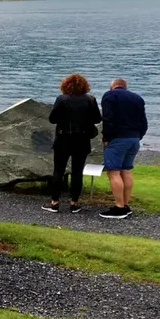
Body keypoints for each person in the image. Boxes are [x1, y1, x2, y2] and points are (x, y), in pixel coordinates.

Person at [42, 74, 102, 214]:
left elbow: (52, 119)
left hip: (63, 138)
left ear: (65, 85)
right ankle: (74, 203)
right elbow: (97, 119)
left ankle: (55, 202)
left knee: (58, 170)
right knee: (77, 172)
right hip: (82, 140)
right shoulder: (90, 100)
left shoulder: (62, 99)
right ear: (84, 86)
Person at [99, 77, 147, 218]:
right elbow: (143, 121)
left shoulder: (110, 96)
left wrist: (106, 137)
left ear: (112, 86)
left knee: (113, 172)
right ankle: (125, 204)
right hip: (134, 138)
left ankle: (118, 207)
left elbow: (107, 118)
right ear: (125, 87)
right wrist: (139, 136)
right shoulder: (137, 98)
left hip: (118, 138)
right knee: (126, 170)